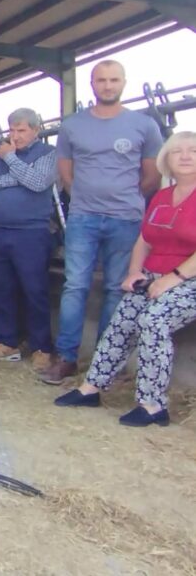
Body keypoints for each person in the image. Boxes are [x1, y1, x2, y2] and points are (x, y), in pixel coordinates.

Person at [54, 131, 196, 427]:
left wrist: (172, 278)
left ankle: (153, 404)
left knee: (153, 320)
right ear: (166, 159)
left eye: (192, 150)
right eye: (177, 151)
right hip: (155, 274)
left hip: (189, 278)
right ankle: (91, 387)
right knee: (122, 319)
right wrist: (134, 271)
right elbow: (144, 239)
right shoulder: (162, 195)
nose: (184, 156)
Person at [42, 60, 164, 385]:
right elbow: (65, 172)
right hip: (83, 217)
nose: (107, 86)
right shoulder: (72, 125)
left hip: (126, 219)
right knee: (75, 285)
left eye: (113, 80)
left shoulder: (143, 125)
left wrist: (125, 197)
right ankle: (66, 357)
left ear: (124, 82)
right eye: (101, 80)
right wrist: (84, 196)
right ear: (92, 84)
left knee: (115, 288)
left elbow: (152, 175)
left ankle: (105, 358)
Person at [0, 109, 58, 369]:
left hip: (31, 232)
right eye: (12, 130)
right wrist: (16, 177)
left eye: (21, 130)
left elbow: (37, 182)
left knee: (34, 289)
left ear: (36, 129)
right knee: (0, 287)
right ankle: (6, 340)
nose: (15, 136)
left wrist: (10, 159)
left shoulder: (48, 153)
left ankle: (42, 346)